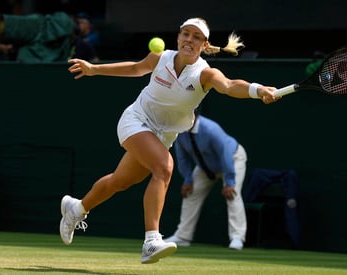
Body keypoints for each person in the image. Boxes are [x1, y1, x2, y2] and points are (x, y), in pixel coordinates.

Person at [61, 17, 280, 264]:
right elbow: (135, 68)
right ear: (178, 37)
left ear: (204, 44)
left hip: (163, 135)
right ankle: (152, 241)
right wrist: (94, 69)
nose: (189, 40)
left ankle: (76, 209)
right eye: (186, 34)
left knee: (119, 181)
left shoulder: (206, 74)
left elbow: (230, 86)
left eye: (196, 37)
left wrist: (257, 90)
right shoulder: (160, 57)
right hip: (136, 120)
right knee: (164, 167)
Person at [164, 110, 247, 250]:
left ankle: (237, 238)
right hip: (206, 166)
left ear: (193, 116)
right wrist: (187, 180)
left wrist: (230, 181)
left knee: (233, 195)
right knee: (191, 193)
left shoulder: (210, 129)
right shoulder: (179, 132)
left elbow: (225, 153)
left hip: (233, 159)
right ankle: (183, 236)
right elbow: (182, 157)